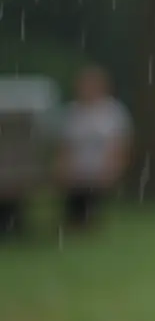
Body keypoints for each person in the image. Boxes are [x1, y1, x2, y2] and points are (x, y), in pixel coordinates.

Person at [56, 65, 133, 229]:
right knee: (75, 201)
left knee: (92, 200)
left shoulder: (112, 113)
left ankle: (90, 223)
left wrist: (112, 167)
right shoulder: (72, 113)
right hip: (77, 170)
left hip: (98, 169)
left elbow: (119, 144)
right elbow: (65, 145)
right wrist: (63, 167)